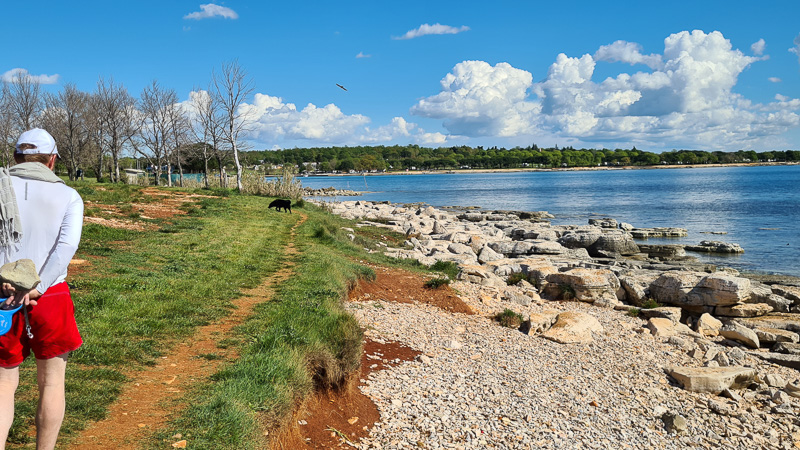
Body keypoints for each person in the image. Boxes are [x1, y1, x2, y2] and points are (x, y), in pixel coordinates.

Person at [0, 128, 84, 449]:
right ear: (51, 160)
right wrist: (38, 286)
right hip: (50, 296)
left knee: (3, 385)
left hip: (2, 294)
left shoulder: (0, 185)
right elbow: (66, 246)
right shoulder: (68, 196)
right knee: (51, 382)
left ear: (16, 157)